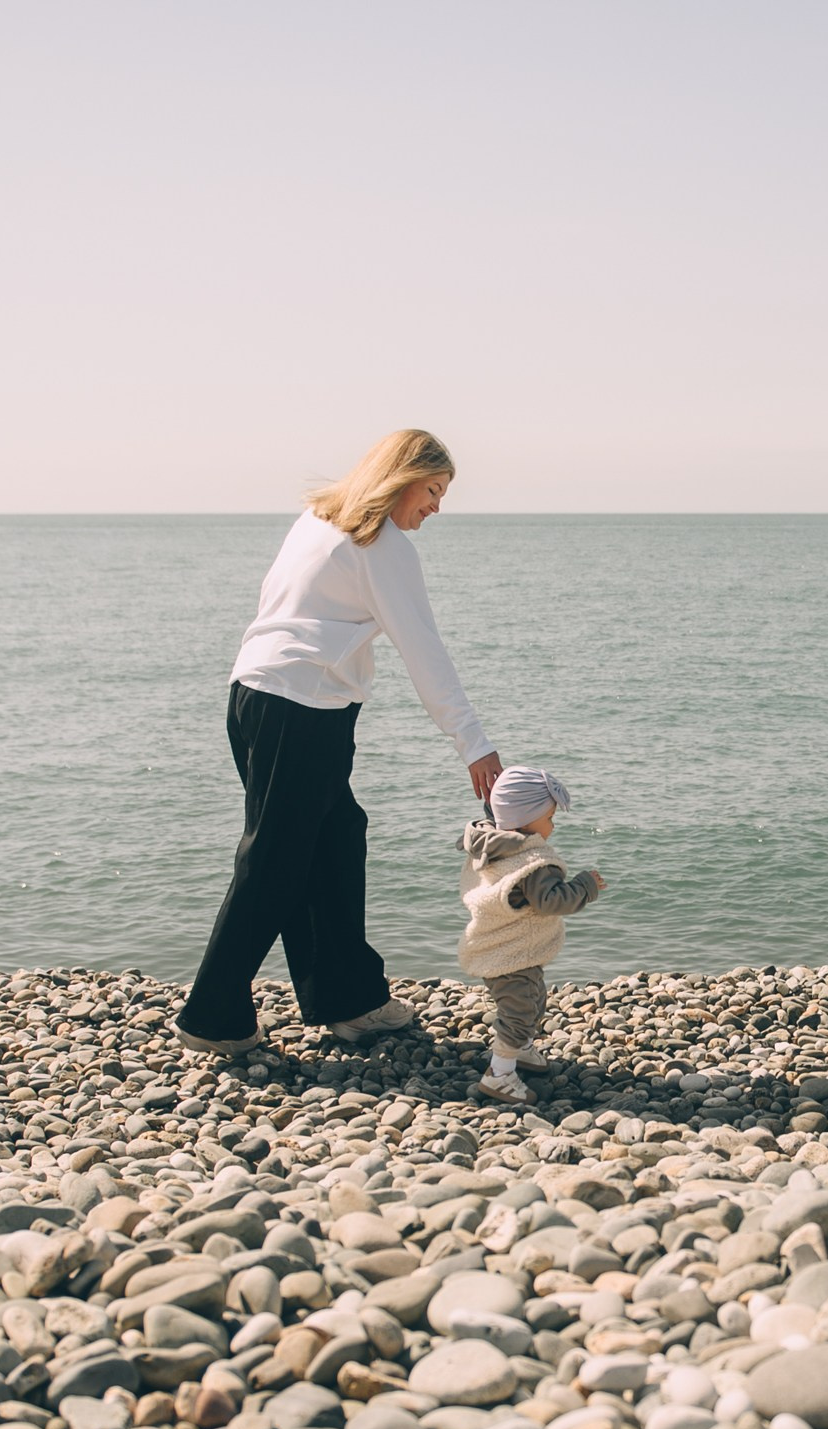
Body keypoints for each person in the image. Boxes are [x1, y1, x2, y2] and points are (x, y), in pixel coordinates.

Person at [176, 429, 504, 1056]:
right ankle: (212, 1015)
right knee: (275, 859)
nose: (436, 506)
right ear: (402, 478)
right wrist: (473, 743)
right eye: (433, 490)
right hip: (299, 707)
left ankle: (350, 1000)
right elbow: (423, 651)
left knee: (333, 838)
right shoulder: (383, 545)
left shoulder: (318, 520)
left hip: (256, 695)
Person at [456, 766, 605, 1104]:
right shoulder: (532, 863)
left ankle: (520, 1049)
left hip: (496, 945)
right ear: (528, 817)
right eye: (550, 817)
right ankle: (500, 1074)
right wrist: (585, 886)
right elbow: (552, 901)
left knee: (534, 998)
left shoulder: (492, 843)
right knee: (519, 1011)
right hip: (509, 952)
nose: (552, 825)